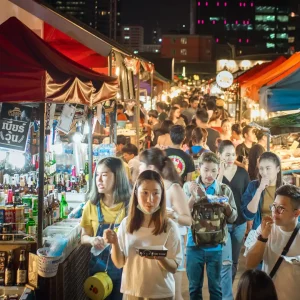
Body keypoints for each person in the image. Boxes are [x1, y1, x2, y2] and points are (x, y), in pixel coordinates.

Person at [104, 170, 182, 300]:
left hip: (161, 293)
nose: (150, 200)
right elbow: (119, 263)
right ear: (135, 193)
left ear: (162, 195)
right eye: (144, 193)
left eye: (155, 193)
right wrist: (114, 243)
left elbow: (174, 267)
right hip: (132, 292)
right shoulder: (126, 224)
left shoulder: (170, 227)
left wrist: (160, 258)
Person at [183, 152, 237, 300]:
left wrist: (226, 206)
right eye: (206, 169)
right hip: (193, 245)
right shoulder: (188, 187)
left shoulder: (224, 190)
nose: (209, 174)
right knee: (194, 288)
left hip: (216, 246)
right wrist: (193, 197)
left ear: (219, 170)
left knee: (216, 288)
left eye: (214, 170)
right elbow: (183, 216)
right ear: (199, 168)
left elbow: (233, 218)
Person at [139, 148, 192, 300]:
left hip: (172, 246)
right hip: (153, 244)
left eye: (141, 164)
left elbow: (188, 220)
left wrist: (174, 215)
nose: (139, 167)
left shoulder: (172, 188)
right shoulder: (147, 189)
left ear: (151, 167)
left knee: (174, 295)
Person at [80, 157, 131, 300]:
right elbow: (83, 237)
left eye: (104, 175)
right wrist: (92, 240)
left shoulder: (130, 206)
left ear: (118, 177)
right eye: (97, 175)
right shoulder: (91, 205)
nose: (99, 180)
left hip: (125, 270)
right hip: (98, 272)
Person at [245, 185, 300, 300]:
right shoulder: (265, 228)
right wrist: (263, 237)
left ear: (296, 213)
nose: (274, 212)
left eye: (281, 208)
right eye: (274, 206)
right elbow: (250, 263)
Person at [217, 140, 250, 295]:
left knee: (234, 262)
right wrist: (220, 174)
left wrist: (248, 223)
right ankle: (226, 296)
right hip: (221, 224)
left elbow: (246, 199)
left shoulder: (243, 173)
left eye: (233, 154)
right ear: (219, 155)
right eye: (227, 154)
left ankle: (226, 289)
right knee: (225, 263)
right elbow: (213, 195)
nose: (231, 157)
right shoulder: (215, 173)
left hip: (239, 223)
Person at [242, 152, 283, 231]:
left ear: (278, 169)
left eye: (268, 168)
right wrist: (259, 190)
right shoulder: (253, 186)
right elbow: (248, 215)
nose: (264, 172)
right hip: (260, 231)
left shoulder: (286, 189)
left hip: (280, 232)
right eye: (261, 168)